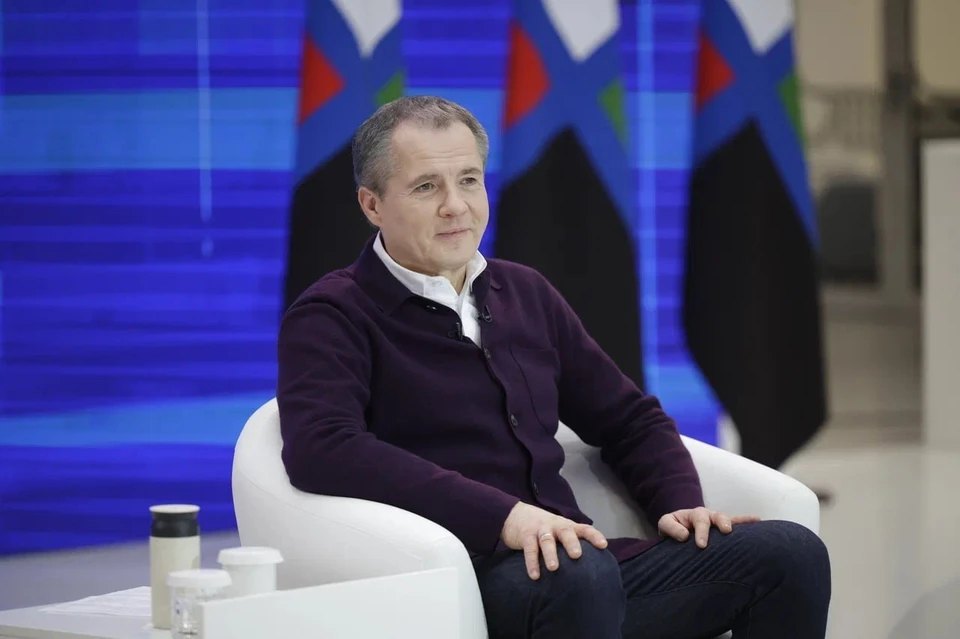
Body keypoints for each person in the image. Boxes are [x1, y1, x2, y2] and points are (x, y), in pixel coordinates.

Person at [276, 95, 831, 639]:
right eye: (427, 187)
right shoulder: (332, 313)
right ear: (372, 205)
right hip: (463, 575)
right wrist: (504, 517)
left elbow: (629, 419)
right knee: (580, 575)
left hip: (580, 567)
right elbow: (323, 448)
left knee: (789, 554)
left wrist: (680, 503)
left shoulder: (525, 292)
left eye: (469, 180)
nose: (456, 206)